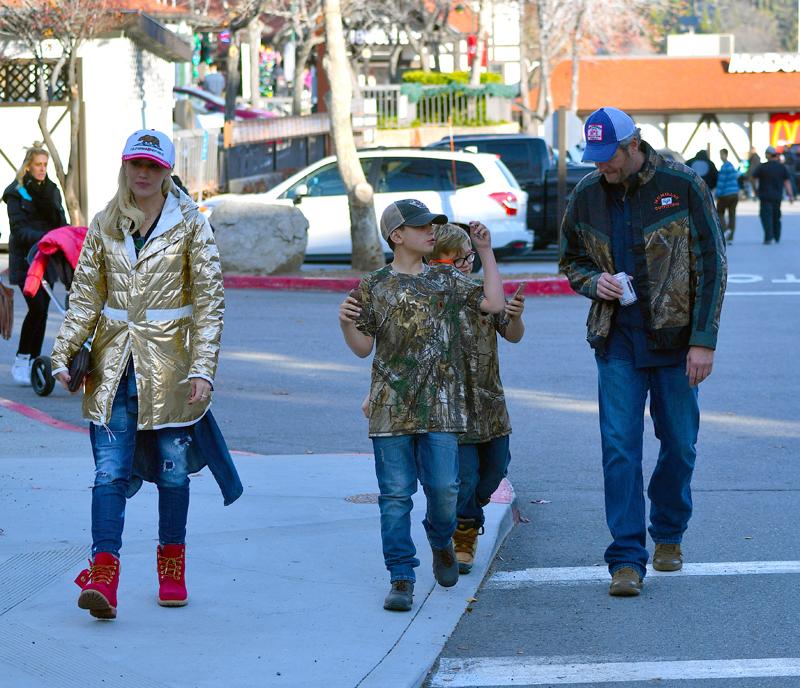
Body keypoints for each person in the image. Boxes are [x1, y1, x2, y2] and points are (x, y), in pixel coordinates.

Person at [50, 129, 242, 620]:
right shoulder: (104, 223)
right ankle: (104, 576)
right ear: (125, 167)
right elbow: (86, 298)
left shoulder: (191, 225)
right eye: (136, 164)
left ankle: (171, 567)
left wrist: (203, 368)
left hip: (173, 370)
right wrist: (64, 354)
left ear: (167, 172)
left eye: (153, 167)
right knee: (107, 472)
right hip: (113, 368)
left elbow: (209, 304)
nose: (143, 173)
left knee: (174, 474)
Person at [560, 107, 727, 597]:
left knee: (680, 444)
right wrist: (596, 282)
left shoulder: (684, 184)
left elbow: (713, 264)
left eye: (607, 157)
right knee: (619, 450)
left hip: (677, 345)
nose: (600, 168)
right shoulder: (587, 193)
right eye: (593, 158)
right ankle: (626, 559)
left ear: (633, 145)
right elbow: (570, 260)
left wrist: (704, 340)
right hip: (616, 341)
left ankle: (669, 532)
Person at [338, 200, 505, 612]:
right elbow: (362, 349)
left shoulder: (445, 279)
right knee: (395, 496)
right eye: (421, 227)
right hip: (391, 408)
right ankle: (401, 575)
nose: (431, 231)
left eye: (433, 225)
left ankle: (440, 539)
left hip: (442, 408)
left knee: (445, 489)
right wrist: (345, 324)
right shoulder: (374, 285)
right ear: (397, 236)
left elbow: (495, 305)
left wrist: (485, 251)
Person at [428, 223, 525, 574]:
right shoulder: (432, 299)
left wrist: (515, 317)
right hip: (452, 409)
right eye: (457, 259)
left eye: (468, 256)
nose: (466, 263)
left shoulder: (485, 293)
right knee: (465, 477)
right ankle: (464, 530)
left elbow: (512, 334)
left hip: (490, 403)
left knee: (495, 471)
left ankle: (469, 511)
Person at [2, 142, 67, 384]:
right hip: (26, 258)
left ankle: (34, 361)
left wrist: (64, 236)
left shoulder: (51, 190)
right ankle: (21, 359)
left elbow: (60, 218)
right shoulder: (16, 193)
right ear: (28, 167)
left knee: (43, 310)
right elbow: (18, 229)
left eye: (45, 165)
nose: (42, 169)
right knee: (37, 307)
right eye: (38, 165)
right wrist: (45, 238)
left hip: (47, 259)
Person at [754, 146, 795, 244]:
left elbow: (754, 179)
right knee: (776, 216)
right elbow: (787, 182)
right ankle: (777, 236)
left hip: (765, 196)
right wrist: (790, 195)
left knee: (766, 216)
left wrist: (755, 190)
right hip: (777, 196)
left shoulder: (762, 167)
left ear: (768, 155)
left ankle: (768, 237)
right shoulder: (781, 167)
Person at [715, 148, 740, 242]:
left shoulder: (724, 167)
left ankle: (725, 231)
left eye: (721, 154)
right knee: (732, 214)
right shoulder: (732, 166)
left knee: (720, 212)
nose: (721, 157)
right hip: (734, 194)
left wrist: (717, 194)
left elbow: (721, 182)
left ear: (725, 155)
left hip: (725, 194)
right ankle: (731, 237)